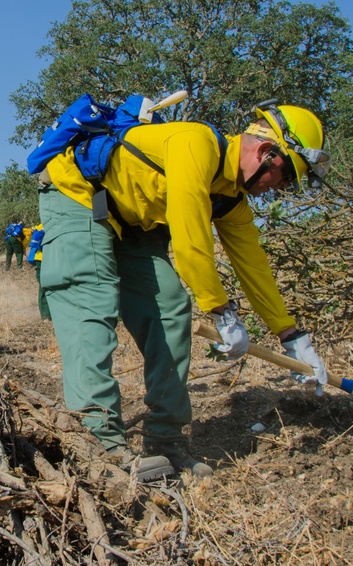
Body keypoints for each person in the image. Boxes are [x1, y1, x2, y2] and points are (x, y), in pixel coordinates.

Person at [38, 100, 331, 480]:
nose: (279, 187)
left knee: (170, 306)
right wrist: (222, 311)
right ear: (265, 151)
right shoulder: (195, 143)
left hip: (128, 217)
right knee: (91, 304)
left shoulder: (230, 198)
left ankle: (164, 440)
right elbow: (190, 235)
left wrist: (291, 335)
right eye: (286, 174)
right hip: (77, 194)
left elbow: (253, 266)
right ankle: (100, 448)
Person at [26, 224, 50, 321]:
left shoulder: (40, 226)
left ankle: (46, 316)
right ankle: (46, 315)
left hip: (40, 258)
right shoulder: (56, 223)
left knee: (43, 287)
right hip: (47, 258)